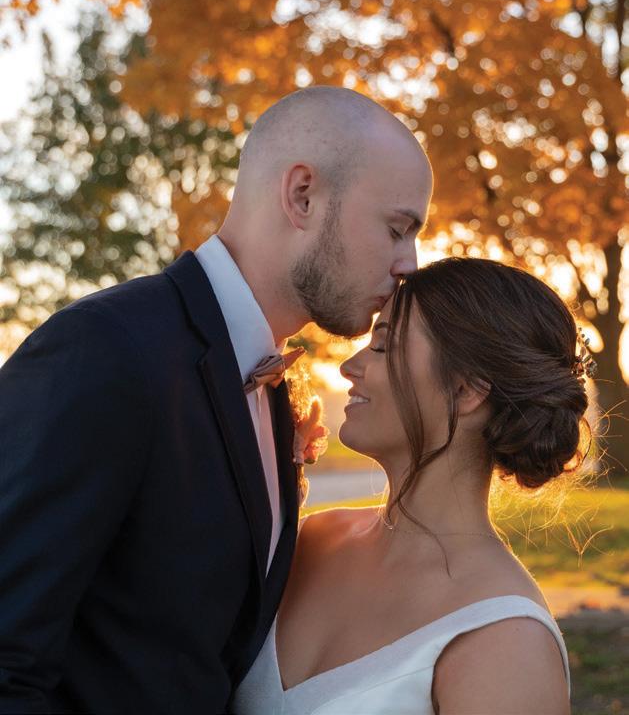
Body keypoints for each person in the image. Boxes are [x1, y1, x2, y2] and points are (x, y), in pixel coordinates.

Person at [0, 85, 432, 713]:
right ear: (302, 195)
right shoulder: (106, 350)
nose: (408, 264)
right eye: (397, 229)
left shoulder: (268, 383)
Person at [232, 257, 588, 714]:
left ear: (466, 391)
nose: (348, 366)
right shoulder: (313, 540)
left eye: (383, 347)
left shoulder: (506, 642)